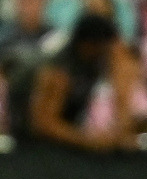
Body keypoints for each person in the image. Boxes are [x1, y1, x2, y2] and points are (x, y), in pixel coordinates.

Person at [23, 12, 119, 148]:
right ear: (89, 45)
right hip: (31, 145)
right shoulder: (59, 70)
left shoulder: (92, 65)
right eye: (104, 46)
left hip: (65, 137)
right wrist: (86, 140)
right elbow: (42, 123)